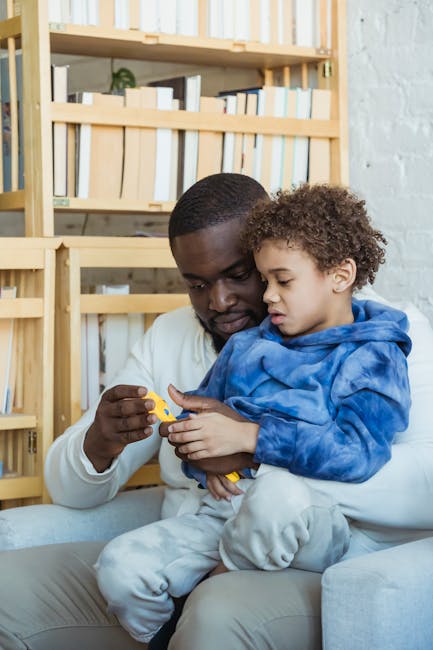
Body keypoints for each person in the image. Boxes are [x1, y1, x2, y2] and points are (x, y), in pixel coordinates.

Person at [0, 173, 432, 650]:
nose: (219, 301)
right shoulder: (179, 336)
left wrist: (251, 448)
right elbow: (70, 489)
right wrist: (101, 440)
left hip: (313, 557)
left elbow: (421, 485)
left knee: (215, 611)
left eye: (240, 275)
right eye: (197, 284)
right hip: (196, 536)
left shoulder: (386, 338)